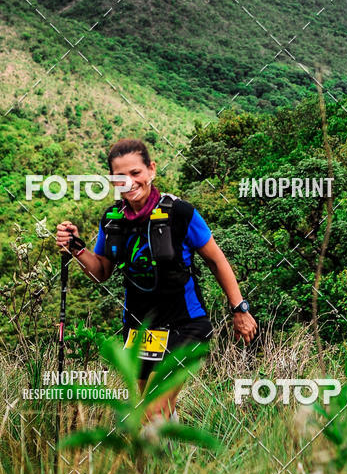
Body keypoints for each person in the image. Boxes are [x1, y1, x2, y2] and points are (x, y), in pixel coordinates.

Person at [56, 138, 257, 419]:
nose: (129, 182)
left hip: (186, 326)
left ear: (151, 170)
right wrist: (76, 248)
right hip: (140, 330)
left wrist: (239, 309)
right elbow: (101, 271)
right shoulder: (112, 220)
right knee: (147, 412)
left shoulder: (180, 213)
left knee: (152, 410)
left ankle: (166, 459)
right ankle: (172, 461)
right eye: (119, 177)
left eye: (135, 173)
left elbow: (216, 259)